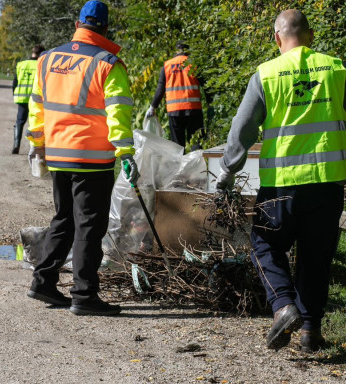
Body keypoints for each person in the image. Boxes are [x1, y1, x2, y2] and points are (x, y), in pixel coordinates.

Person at [215, 9, 346, 352]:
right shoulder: (335, 69)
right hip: (327, 186)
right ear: (310, 36)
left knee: (265, 244)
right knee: (315, 257)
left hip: (282, 186)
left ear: (277, 39)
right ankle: (310, 330)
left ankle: (283, 305)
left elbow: (243, 128)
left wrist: (228, 169)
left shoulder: (266, 75)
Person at [25, 0, 139, 316]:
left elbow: (37, 106)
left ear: (78, 23)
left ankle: (43, 281)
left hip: (58, 154)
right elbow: (118, 112)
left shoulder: (48, 58)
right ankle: (84, 295)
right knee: (89, 226)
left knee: (63, 219)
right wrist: (126, 153)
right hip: (91, 157)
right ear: (104, 28)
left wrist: (38, 144)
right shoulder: (108, 63)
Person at [145, 41, 211, 151]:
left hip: (174, 110)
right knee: (196, 142)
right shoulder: (194, 63)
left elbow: (160, 89)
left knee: (177, 146)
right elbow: (206, 86)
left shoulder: (167, 65)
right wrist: (210, 104)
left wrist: (153, 107)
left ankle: (179, 167)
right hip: (193, 109)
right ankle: (198, 167)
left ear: (176, 50)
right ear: (188, 51)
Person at [11, 44, 44, 154]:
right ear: (41, 54)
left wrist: (15, 94)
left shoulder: (21, 64)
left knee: (20, 121)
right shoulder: (41, 65)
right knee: (36, 123)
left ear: (32, 52)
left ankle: (16, 145)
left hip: (22, 97)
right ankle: (35, 148)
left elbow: (15, 82)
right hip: (36, 99)